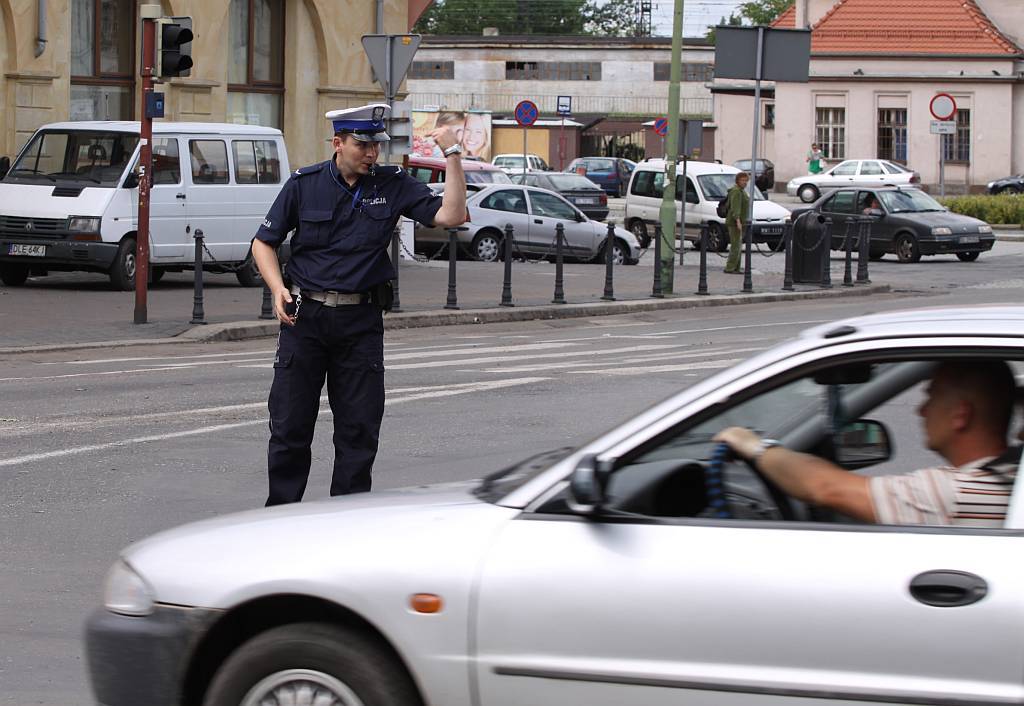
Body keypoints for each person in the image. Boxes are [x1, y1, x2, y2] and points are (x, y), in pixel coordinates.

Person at [251, 103, 468, 506]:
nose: (372, 153)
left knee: (358, 431)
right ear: (338, 143)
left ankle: (346, 519)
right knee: (289, 428)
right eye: (362, 145)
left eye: (376, 145)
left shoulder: (392, 184)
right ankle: (279, 517)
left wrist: (452, 154)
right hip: (306, 319)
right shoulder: (304, 183)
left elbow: (452, 215)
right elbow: (263, 242)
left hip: (360, 322)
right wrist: (277, 288)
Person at [714, 360, 1019, 527]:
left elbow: (825, 488)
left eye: (932, 397)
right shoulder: (1009, 479)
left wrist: (752, 444)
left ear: (960, 415)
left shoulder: (957, 494)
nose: (921, 410)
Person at [723, 171, 750, 274]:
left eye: (746, 180)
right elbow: (735, 207)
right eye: (742, 180)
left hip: (740, 222)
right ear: (737, 181)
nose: (744, 182)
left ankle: (736, 267)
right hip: (735, 222)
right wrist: (738, 221)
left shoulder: (741, 191)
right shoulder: (736, 191)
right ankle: (730, 267)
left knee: (738, 245)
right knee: (735, 245)